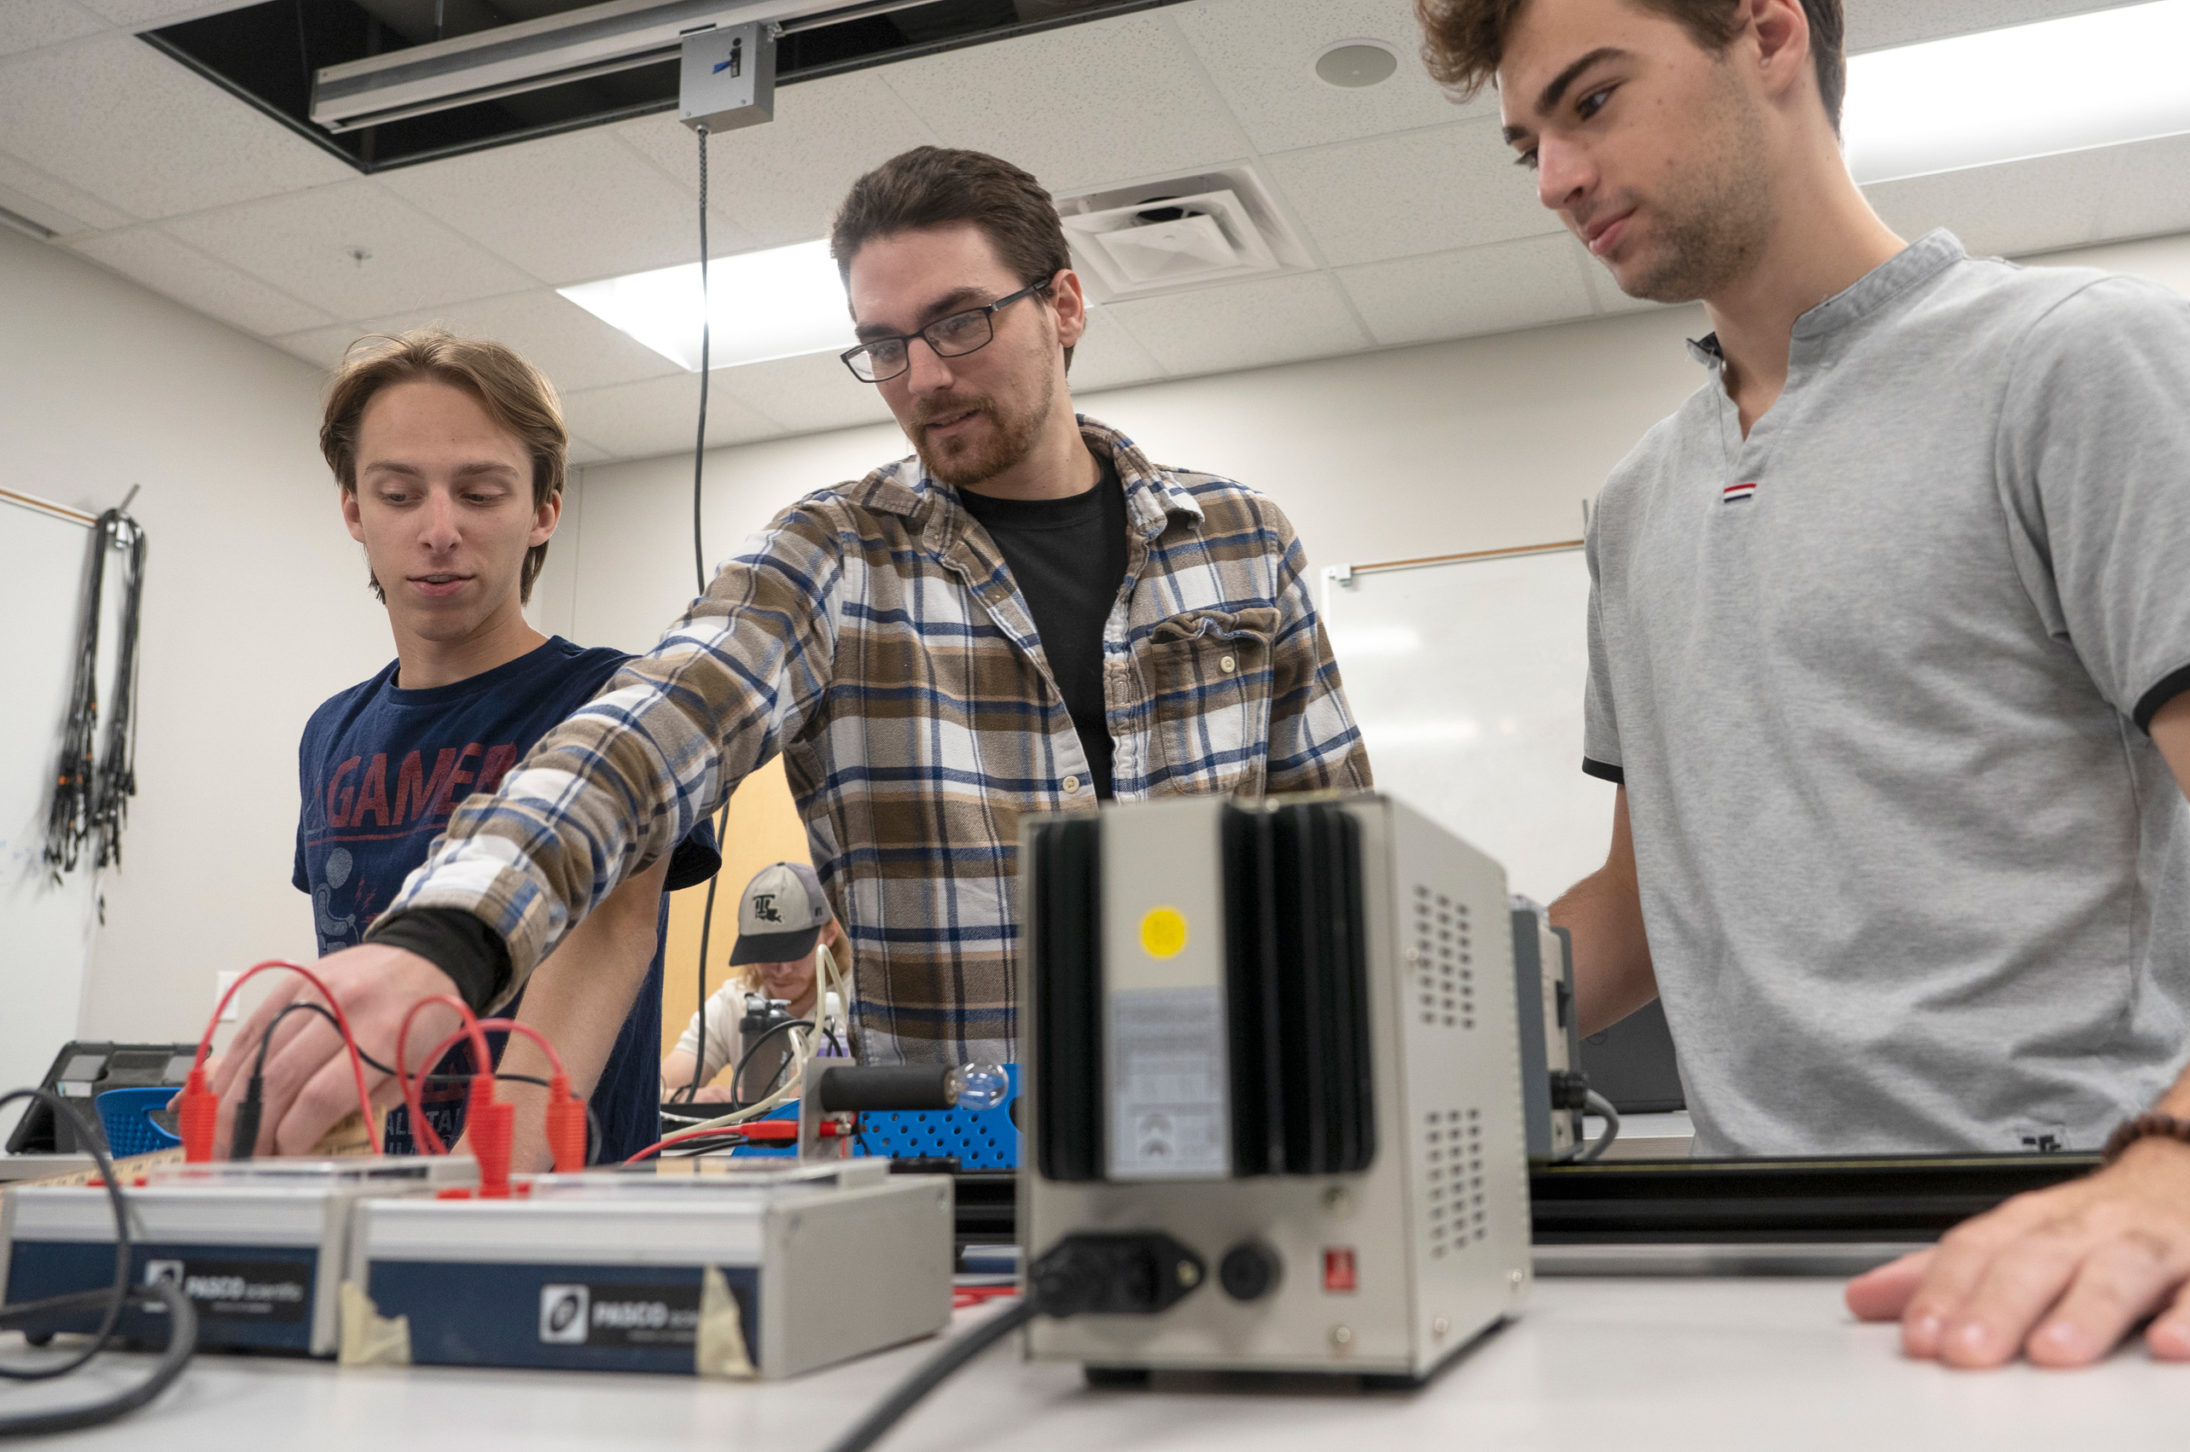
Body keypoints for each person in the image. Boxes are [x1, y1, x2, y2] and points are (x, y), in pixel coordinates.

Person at [1413, 0, 2190, 1370]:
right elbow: (1634, 914)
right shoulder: (1635, 503)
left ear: (1769, 35)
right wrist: (1362, 1032)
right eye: (1527, 143)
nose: (1556, 177)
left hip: (2055, 1247)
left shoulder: (2079, 363)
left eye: (1592, 99)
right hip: (1738, 1274)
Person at [213, 145, 1368, 1155]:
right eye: (882, 344)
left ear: (1063, 303)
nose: (923, 377)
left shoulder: (1238, 542)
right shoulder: (835, 552)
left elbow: (1337, 857)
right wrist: (446, 938)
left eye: (960, 321)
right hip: (939, 1152)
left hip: (1226, 1124)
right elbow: (644, 731)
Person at [244, 331, 718, 1164]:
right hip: (372, 1199)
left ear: (543, 511)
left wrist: (476, 1185)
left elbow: (610, 935)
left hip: (549, 1205)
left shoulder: (618, 701)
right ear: (353, 509)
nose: (438, 529)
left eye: (480, 493)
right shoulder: (331, 733)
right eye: (397, 494)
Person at [660, 862, 854, 1102]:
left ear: (830, 933)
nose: (781, 969)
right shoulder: (734, 1003)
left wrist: (743, 1100)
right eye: (766, 952)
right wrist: (701, 1099)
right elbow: (655, 1091)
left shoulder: (861, 1006)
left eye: (793, 950)